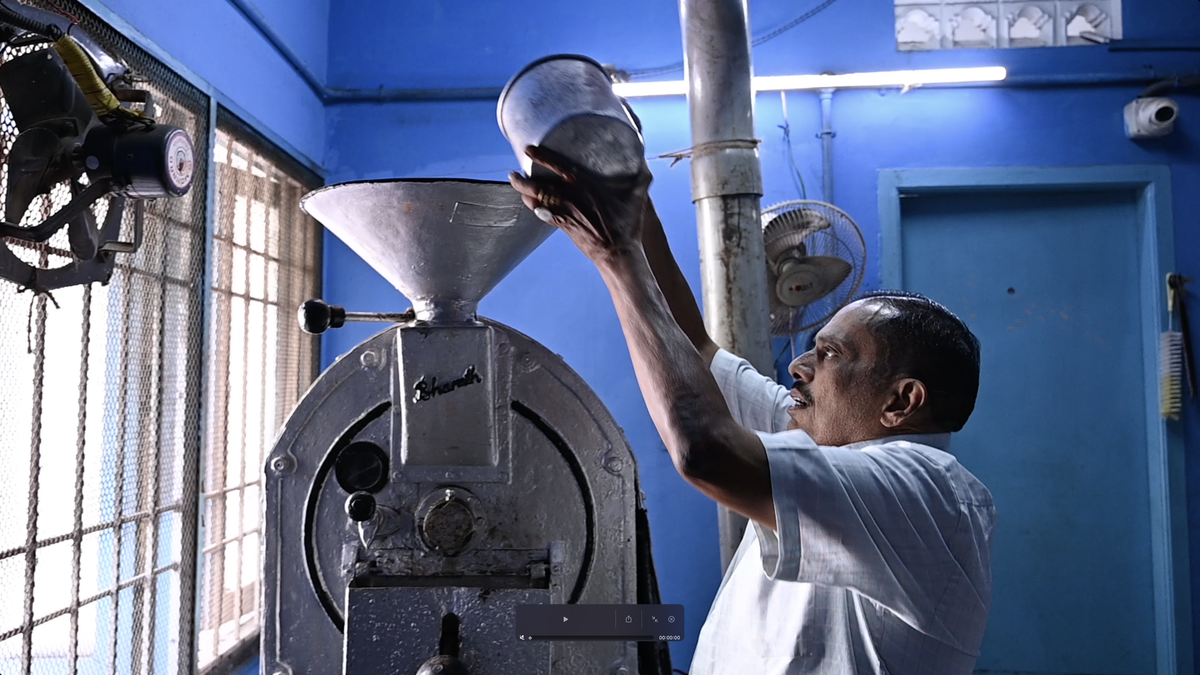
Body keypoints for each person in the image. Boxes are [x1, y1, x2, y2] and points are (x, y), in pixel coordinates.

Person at [509, 145, 994, 675]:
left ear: (900, 402)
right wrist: (633, 200)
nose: (799, 367)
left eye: (830, 355)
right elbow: (689, 351)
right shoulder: (816, 436)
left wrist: (614, 256)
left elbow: (704, 452)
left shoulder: (927, 490)